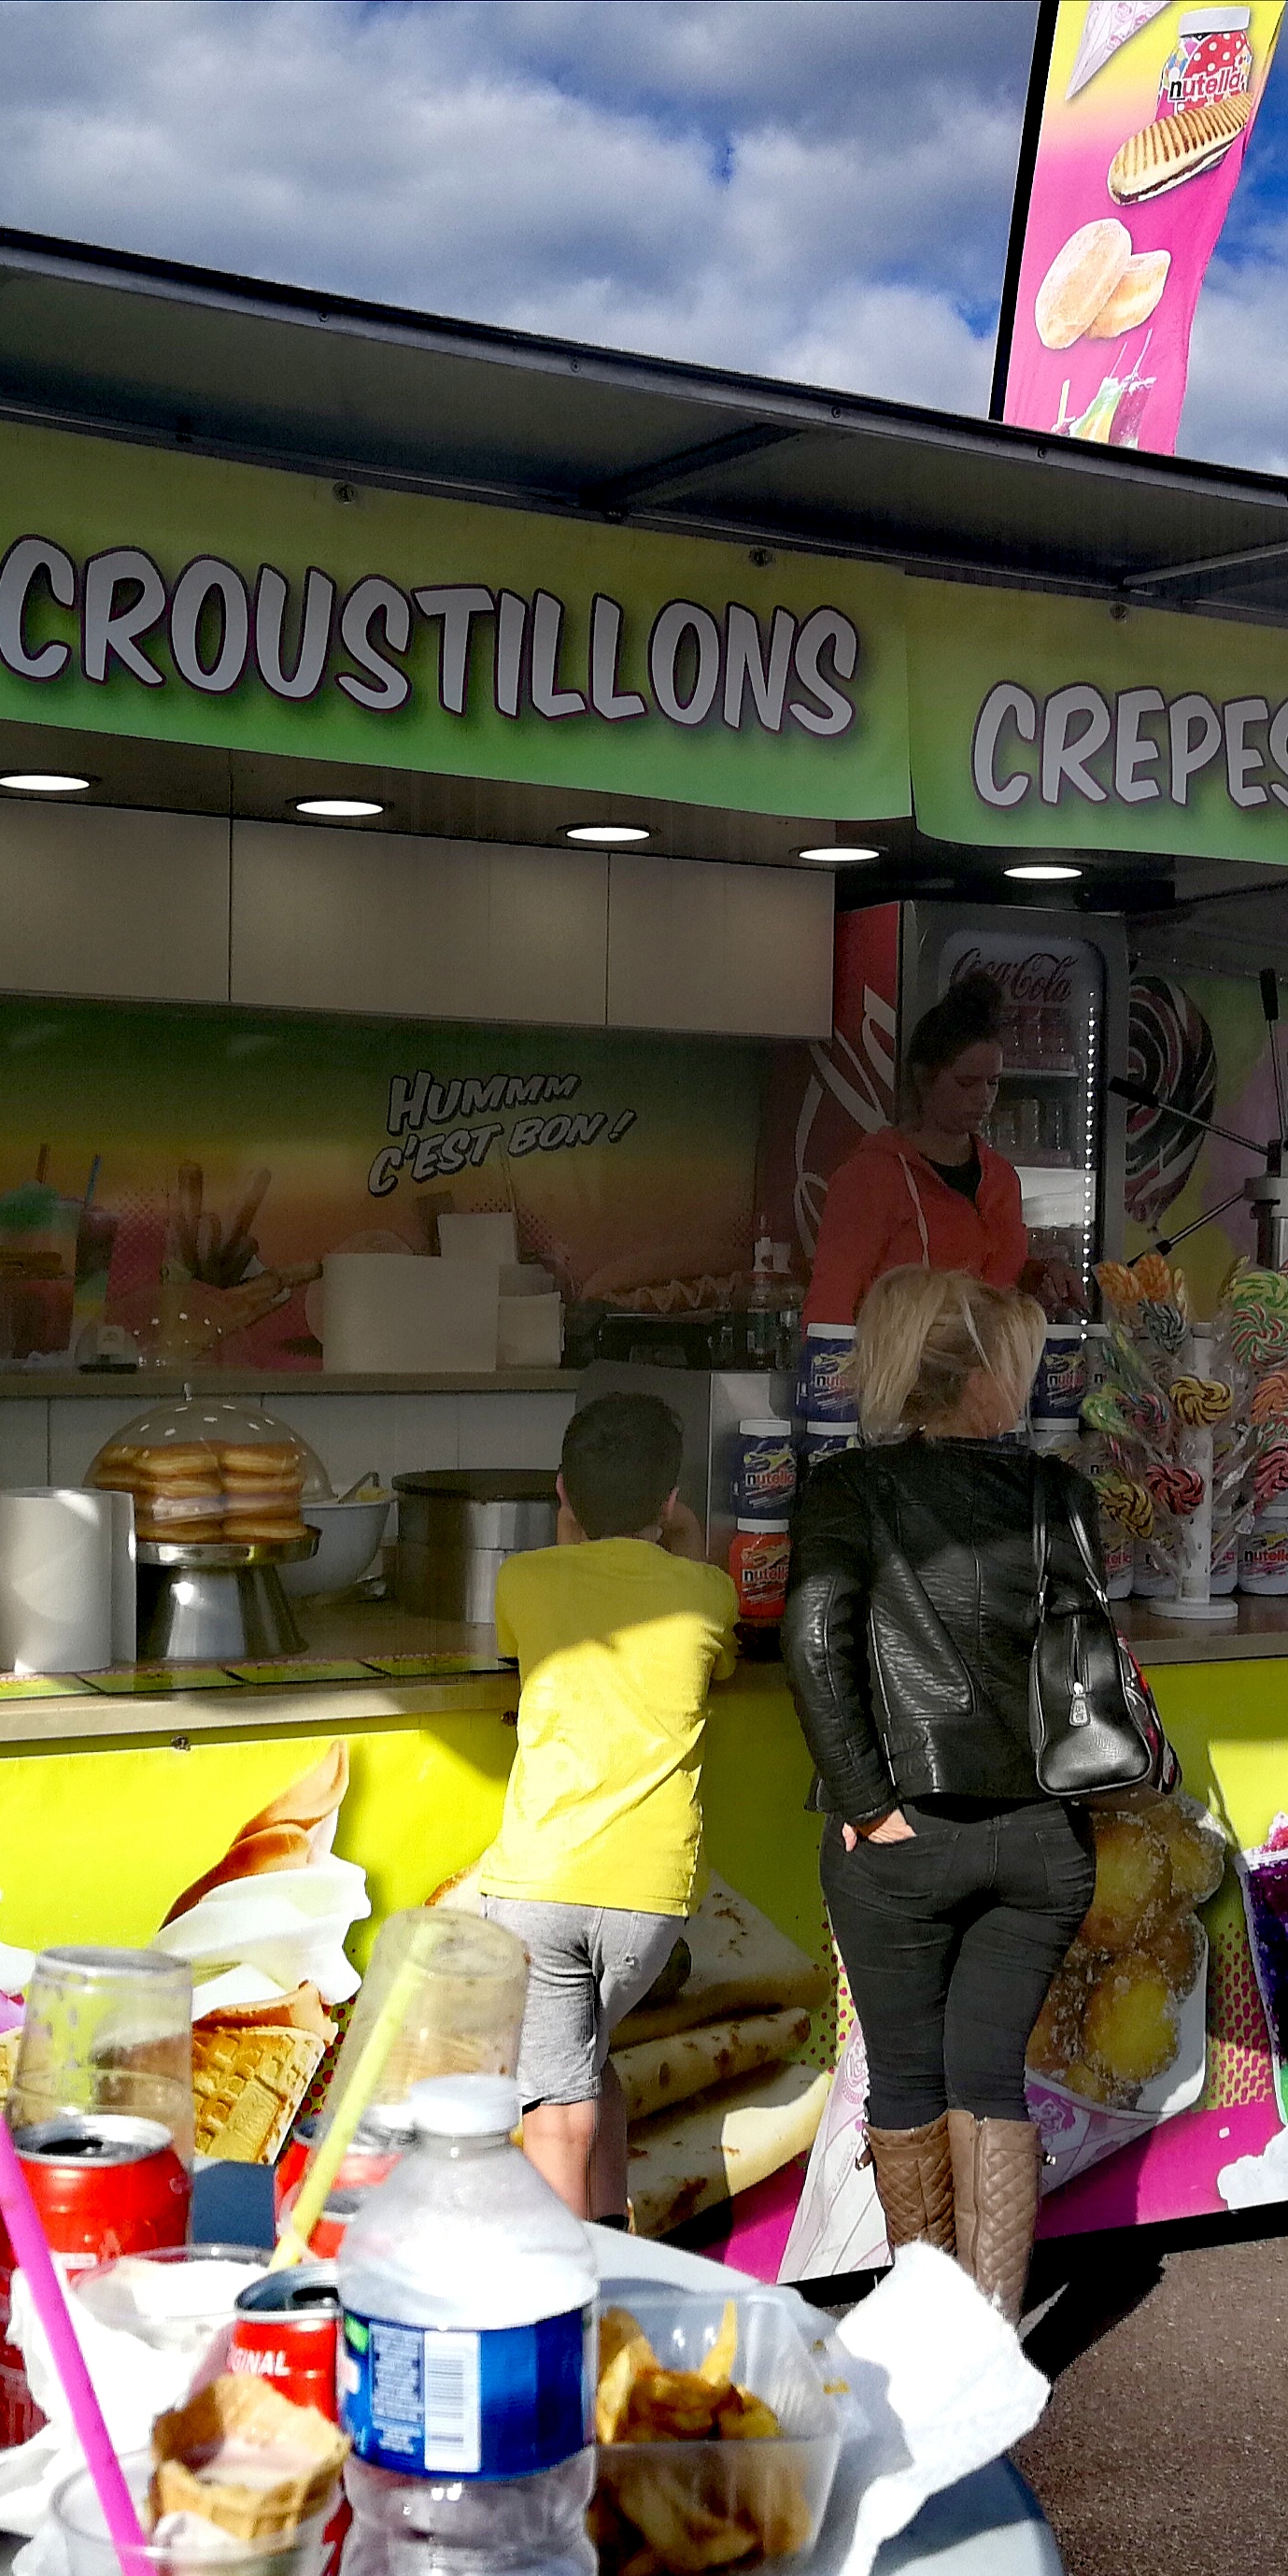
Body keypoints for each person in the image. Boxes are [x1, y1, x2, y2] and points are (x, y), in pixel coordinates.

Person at [781, 1264, 1094, 2320]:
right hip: (1041, 1836)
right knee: (990, 2080)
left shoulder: (845, 1490)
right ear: (980, 1377)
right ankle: (989, 2343)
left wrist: (867, 1803)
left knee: (909, 2084)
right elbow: (1082, 1659)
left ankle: (929, 2338)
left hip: (900, 1837)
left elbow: (815, 1642)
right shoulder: (1058, 1494)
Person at [479, 1392, 740, 2224]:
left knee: (555, 2112)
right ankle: (615, 2249)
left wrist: (580, 1534)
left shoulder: (523, 1579)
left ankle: (569, 2288)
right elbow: (713, 1649)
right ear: (670, 1501)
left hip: (540, 1887)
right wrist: (680, 1542)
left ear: (562, 1493)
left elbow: (542, 1620)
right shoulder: (706, 1593)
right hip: (649, 1902)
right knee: (590, 2069)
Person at [803, 967, 1030, 1325]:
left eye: (993, 1083)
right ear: (924, 1079)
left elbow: (1000, 1279)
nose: (984, 1098)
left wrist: (1041, 1274)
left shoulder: (1002, 1179)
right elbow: (831, 1300)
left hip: (992, 1356)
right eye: (966, 1083)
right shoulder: (871, 1177)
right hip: (903, 1358)